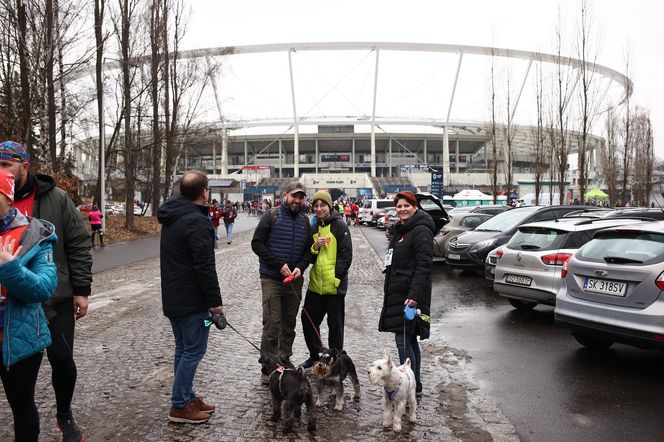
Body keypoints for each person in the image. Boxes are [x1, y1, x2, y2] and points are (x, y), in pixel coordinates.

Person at [0, 140, 92, 441]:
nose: (2, 172)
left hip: (55, 297)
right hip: (15, 308)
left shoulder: (56, 198)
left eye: (6, 165)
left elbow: (78, 243)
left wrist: (81, 289)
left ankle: (64, 415)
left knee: (62, 359)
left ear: (24, 167)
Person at [158, 170, 224, 424]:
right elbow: (204, 266)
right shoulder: (197, 222)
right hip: (192, 301)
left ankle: (186, 396)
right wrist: (215, 304)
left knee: (183, 349)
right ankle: (179, 405)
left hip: (174, 298)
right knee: (193, 351)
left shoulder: (173, 215)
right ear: (204, 191)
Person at [0, 168, 58, 442]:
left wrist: (11, 270)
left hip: (20, 339)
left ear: (8, 199)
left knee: (22, 407)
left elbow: (44, 288)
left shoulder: (35, 234)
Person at [251, 181, 312, 383]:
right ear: (285, 196)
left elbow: (308, 251)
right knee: (271, 323)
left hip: (294, 280)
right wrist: (278, 264)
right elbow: (257, 243)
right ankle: (267, 367)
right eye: (294, 196)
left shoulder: (305, 220)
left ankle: (284, 360)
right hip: (272, 279)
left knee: (288, 324)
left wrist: (301, 267)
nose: (297, 200)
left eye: (300, 197)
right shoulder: (271, 216)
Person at [378, 191, 433, 399]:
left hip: (410, 295)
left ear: (415, 206)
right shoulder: (401, 230)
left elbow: (424, 266)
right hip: (398, 292)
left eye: (406, 205)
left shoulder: (420, 231)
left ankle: (408, 384)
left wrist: (414, 295)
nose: (402, 209)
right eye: (399, 206)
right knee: (409, 338)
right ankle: (415, 384)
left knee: (403, 340)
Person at [299, 191, 352, 369]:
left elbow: (346, 255)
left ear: (330, 206)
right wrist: (314, 247)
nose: (319, 208)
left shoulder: (340, 226)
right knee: (308, 320)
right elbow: (311, 256)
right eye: (316, 205)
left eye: (323, 205)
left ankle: (335, 361)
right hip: (316, 286)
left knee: (335, 327)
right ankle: (315, 355)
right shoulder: (314, 227)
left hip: (334, 287)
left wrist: (337, 278)